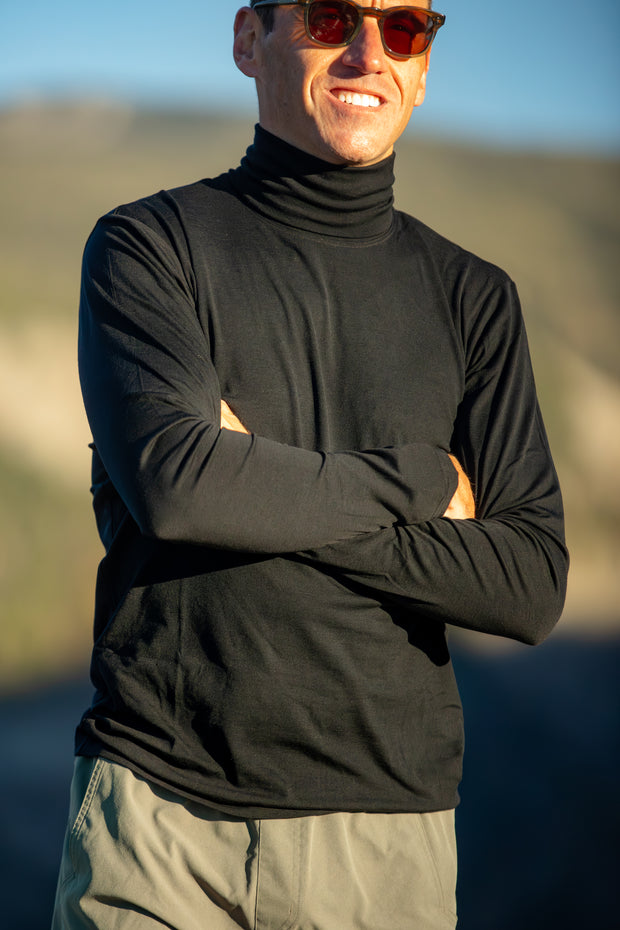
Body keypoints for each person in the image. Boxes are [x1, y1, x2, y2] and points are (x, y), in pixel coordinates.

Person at [51, 2, 568, 928]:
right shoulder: (149, 247)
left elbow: (526, 585)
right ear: (250, 38)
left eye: (405, 27)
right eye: (333, 16)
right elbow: (180, 486)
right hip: (161, 821)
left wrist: (251, 477)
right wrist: (412, 480)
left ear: (424, 64)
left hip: (385, 843)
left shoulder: (477, 299)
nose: (369, 52)